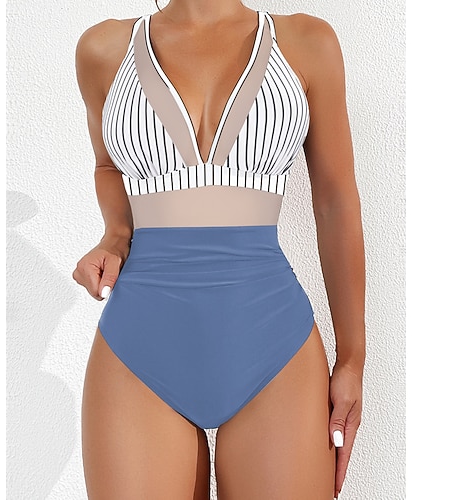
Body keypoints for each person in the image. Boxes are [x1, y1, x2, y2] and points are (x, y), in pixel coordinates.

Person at [72, 0, 365, 498]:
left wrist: (353, 359)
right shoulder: (103, 49)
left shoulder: (307, 43)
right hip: (139, 344)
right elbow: (107, 166)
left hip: (275, 345)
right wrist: (116, 235)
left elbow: (336, 202)